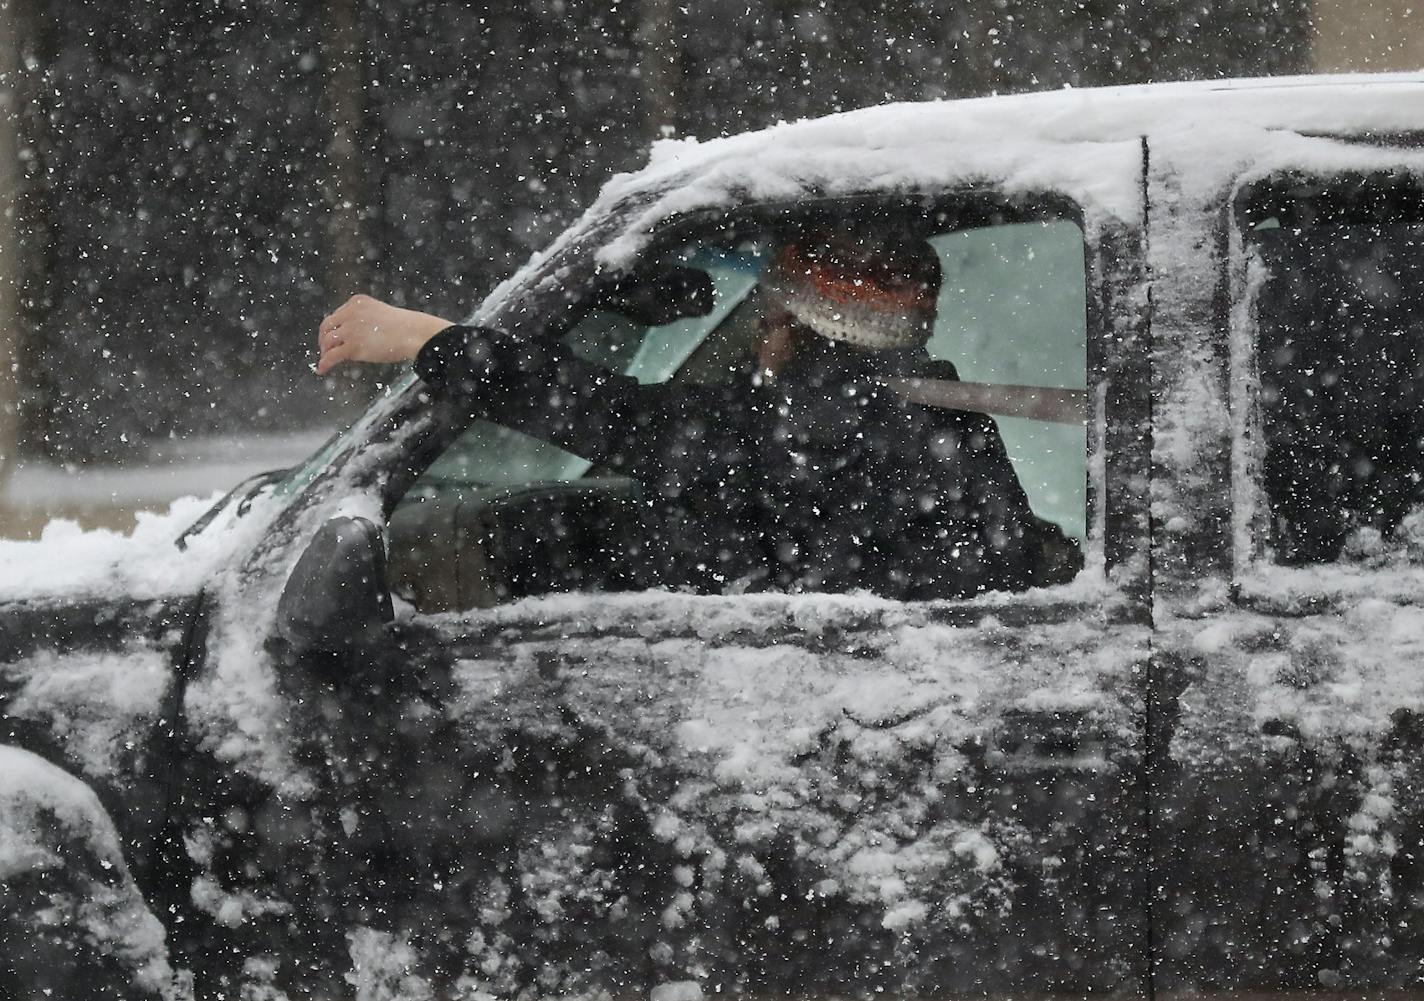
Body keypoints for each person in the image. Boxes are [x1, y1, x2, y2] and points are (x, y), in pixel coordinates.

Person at [316, 232, 1081, 600]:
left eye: (770, 312)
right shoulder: (933, 422)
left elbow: (610, 416)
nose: (758, 335)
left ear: (798, 323)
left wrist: (427, 339)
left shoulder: (809, 433)